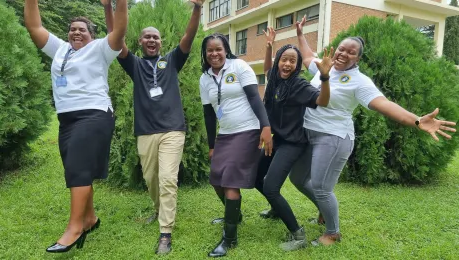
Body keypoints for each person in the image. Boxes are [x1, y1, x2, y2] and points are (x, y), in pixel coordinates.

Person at [289, 16, 457, 246]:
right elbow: (308, 56)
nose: (343, 54)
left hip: (334, 138)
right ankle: (323, 209)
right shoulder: (323, 67)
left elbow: (385, 104)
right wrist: (300, 34)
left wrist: (417, 120)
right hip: (308, 133)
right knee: (298, 178)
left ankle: (332, 232)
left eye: (350, 52)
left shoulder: (359, 81)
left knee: (321, 186)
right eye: (341, 49)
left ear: (357, 58)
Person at [24, 0, 127, 253]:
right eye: (72, 29)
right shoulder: (60, 49)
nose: (76, 32)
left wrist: (119, 2)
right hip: (67, 120)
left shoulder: (101, 49)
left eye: (82, 29)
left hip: (94, 115)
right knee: (78, 169)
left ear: (92, 36)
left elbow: (120, 31)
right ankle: (90, 218)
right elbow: (34, 25)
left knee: (78, 168)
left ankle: (75, 228)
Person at [103, 0, 204, 255]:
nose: (151, 40)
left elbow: (188, 37)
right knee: (151, 179)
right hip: (145, 132)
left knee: (168, 178)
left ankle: (165, 232)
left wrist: (197, 8)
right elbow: (115, 39)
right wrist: (107, 8)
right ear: (140, 41)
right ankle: (158, 211)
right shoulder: (134, 64)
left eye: (156, 37)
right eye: (147, 37)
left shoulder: (171, 61)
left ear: (160, 42)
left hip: (172, 130)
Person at [256, 27, 333, 251]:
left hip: (293, 142)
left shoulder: (299, 85)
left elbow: (323, 101)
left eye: (292, 61)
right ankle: (276, 208)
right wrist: (269, 47)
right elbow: (268, 68)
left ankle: (298, 235)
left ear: (297, 65)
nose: (287, 64)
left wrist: (325, 76)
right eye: (284, 59)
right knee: (256, 177)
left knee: (271, 187)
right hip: (276, 139)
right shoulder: (274, 78)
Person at [199, 33, 272, 257]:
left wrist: (265, 127)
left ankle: (229, 239)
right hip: (225, 134)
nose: (214, 54)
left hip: (247, 131)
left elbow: (254, 98)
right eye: (209, 50)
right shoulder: (205, 78)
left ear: (226, 49)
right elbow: (209, 114)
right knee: (216, 180)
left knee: (230, 183)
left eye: (218, 49)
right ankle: (235, 215)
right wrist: (212, 145)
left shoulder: (239, 66)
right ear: (205, 53)